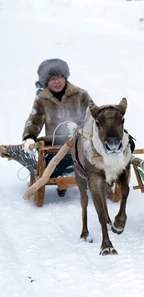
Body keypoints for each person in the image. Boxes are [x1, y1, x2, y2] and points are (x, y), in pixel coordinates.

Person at [22, 58, 94, 196]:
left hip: (80, 143)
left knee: (87, 161)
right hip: (55, 145)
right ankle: (63, 175)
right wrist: (29, 137)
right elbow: (34, 119)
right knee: (50, 168)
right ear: (45, 82)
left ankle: (74, 171)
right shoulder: (42, 99)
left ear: (65, 77)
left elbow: (93, 114)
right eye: (52, 78)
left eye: (60, 77)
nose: (57, 81)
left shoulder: (81, 94)